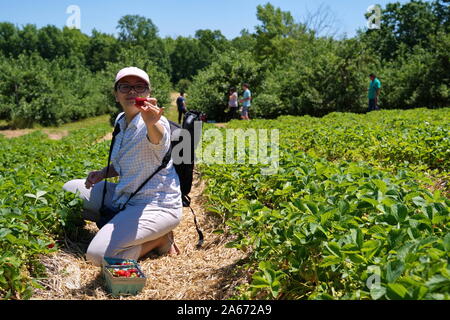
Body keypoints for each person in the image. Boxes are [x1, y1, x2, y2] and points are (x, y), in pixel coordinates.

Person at [63, 66, 181, 267]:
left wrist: (152, 123)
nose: (132, 92)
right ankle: (125, 228)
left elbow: (159, 141)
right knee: (69, 192)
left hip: (155, 204)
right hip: (125, 194)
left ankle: (159, 239)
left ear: (148, 93)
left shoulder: (155, 122)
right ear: (116, 94)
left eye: (139, 87)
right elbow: (123, 163)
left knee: (97, 256)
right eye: (125, 87)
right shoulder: (120, 120)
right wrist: (102, 174)